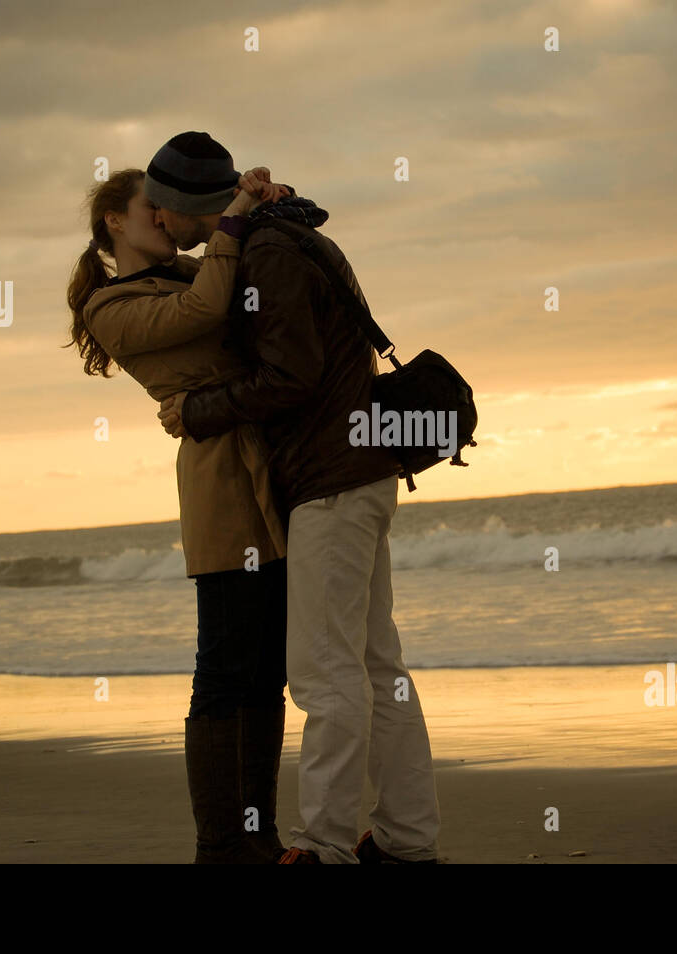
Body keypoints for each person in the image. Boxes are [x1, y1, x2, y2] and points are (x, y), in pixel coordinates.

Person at [153, 132, 441, 864]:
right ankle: (407, 841)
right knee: (377, 665)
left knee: (325, 670)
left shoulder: (269, 254)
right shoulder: (282, 237)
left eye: (164, 211)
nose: (160, 226)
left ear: (189, 207)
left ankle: (323, 847)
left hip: (331, 480)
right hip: (359, 470)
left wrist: (199, 410)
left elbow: (292, 376)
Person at [65, 144, 292, 863]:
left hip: (272, 471)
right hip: (221, 489)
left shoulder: (197, 265)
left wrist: (260, 204)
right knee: (224, 664)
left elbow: (249, 289)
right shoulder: (113, 306)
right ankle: (219, 844)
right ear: (115, 222)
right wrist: (228, 224)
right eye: (150, 209)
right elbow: (210, 307)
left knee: (267, 669)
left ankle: (261, 834)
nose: (166, 219)